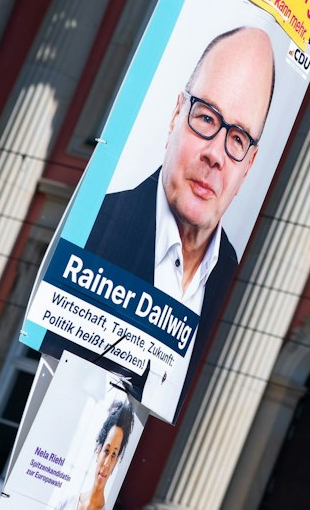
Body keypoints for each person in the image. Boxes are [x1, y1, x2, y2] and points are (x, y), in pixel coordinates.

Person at [84, 25, 274, 312]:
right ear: (176, 115)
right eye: (206, 118)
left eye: (238, 139)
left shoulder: (237, 286)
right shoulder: (96, 223)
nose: (215, 155)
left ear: (248, 166)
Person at [55, 398, 135, 510]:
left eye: (113, 455)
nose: (107, 463)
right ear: (98, 451)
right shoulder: (65, 504)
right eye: (106, 451)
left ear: (116, 462)